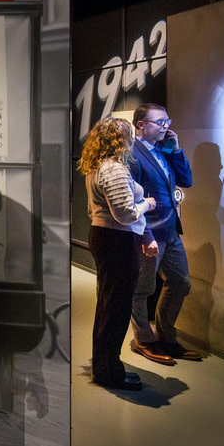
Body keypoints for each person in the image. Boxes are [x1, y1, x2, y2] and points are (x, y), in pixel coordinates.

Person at [79, 117, 157, 391]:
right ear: (121, 139)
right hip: (116, 240)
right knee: (116, 308)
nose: (133, 139)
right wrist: (146, 204)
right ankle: (110, 372)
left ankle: (106, 367)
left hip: (107, 237)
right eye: (130, 135)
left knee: (109, 305)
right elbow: (124, 214)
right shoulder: (113, 168)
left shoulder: (97, 166)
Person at [128, 103, 203, 365]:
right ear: (141, 125)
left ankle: (167, 337)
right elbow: (132, 199)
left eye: (167, 121)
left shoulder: (164, 149)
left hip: (171, 231)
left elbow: (186, 180)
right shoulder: (132, 154)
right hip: (149, 232)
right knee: (141, 289)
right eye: (160, 122)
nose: (166, 127)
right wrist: (145, 234)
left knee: (180, 283)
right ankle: (144, 340)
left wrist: (176, 149)